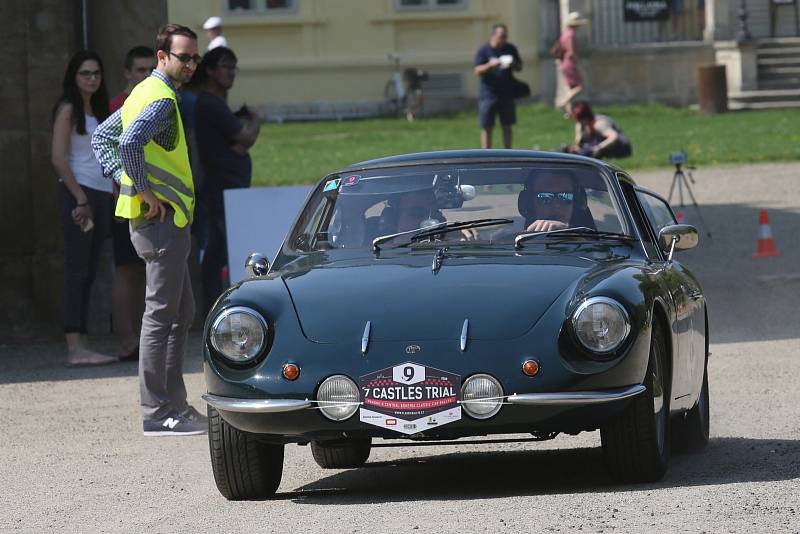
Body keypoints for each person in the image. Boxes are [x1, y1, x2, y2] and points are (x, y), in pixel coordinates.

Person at [92, 23, 206, 436]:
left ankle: (174, 405)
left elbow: (102, 138)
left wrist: (128, 182)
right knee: (162, 316)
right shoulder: (159, 99)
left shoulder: (144, 92)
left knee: (182, 313)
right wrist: (143, 190)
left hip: (160, 222)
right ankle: (159, 412)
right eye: (184, 57)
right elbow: (125, 144)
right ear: (163, 57)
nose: (191, 64)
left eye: (196, 57)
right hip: (161, 223)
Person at [51, 51, 117, 368]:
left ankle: (82, 345)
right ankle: (74, 347)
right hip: (80, 195)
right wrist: (80, 198)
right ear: (73, 76)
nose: (92, 78)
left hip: (101, 194)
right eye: (85, 73)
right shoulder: (68, 109)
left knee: (89, 270)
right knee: (78, 271)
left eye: (96, 73)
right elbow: (58, 158)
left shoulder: (98, 110)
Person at [194, 47, 261, 316]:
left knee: (220, 248)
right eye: (225, 66)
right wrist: (256, 120)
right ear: (210, 70)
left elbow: (237, 145)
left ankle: (215, 306)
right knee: (219, 250)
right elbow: (245, 139)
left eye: (234, 67)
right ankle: (213, 308)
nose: (230, 72)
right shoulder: (210, 104)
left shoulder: (216, 105)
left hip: (230, 186)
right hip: (222, 187)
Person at [109, 46, 156, 362]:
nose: (145, 75)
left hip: (151, 197)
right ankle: (127, 341)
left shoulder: (153, 100)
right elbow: (109, 149)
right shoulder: (120, 104)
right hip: (127, 199)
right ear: (127, 73)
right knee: (128, 271)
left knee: (146, 273)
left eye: (149, 69)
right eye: (139, 70)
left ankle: (142, 341)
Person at [474, 23, 522, 149]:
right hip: (488, 94)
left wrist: (513, 63)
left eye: (506, 36)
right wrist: (490, 65)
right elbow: (477, 70)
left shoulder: (510, 49)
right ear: (493, 35)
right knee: (487, 126)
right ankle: (486, 154)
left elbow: (519, 67)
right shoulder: (484, 50)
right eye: (501, 36)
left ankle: (508, 152)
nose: (504, 39)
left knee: (507, 125)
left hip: (507, 93)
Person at [565, 101, 632, 160]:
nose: (578, 122)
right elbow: (578, 142)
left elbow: (614, 137)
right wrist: (575, 147)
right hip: (597, 145)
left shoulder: (599, 124)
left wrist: (598, 148)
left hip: (619, 148)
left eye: (580, 119)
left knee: (587, 152)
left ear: (586, 117)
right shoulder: (581, 124)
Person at [555, 11, 588, 114]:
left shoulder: (565, 33)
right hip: (569, 63)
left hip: (564, 62)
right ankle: (563, 103)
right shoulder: (570, 35)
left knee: (571, 88)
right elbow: (571, 52)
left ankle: (568, 112)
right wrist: (579, 63)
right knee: (579, 87)